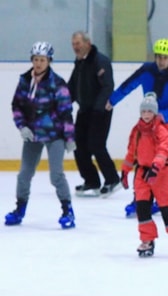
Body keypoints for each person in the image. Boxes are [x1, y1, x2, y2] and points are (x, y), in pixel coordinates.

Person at [107, 38, 168, 217]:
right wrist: (113, 100)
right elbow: (128, 85)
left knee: (162, 166)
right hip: (147, 127)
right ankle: (141, 199)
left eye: (165, 57)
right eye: (159, 57)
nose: (162, 61)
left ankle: (161, 200)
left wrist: (164, 116)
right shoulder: (147, 70)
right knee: (144, 163)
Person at [5, 41, 76, 229]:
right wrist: (22, 127)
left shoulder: (57, 83)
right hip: (33, 135)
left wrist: (69, 137)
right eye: (36, 59)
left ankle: (67, 210)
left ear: (49, 61)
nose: (38, 63)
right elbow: (16, 105)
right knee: (24, 174)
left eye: (42, 60)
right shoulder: (25, 81)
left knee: (56, 175)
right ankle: (19, 209)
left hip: (55, 135)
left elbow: (66, 111)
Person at [120, 92, 168, 258]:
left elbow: (163, 150)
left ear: (155, 113)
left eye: (149, 111)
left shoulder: (161, 130)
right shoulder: (137, 131)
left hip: (161, 173)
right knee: (142, 208)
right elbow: (132, 152)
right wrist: (125, 171)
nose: (146, 115)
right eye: (143, 111)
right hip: (142, 173)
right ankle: (147, 240)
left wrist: (156, 167)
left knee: (167, 209)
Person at [68, 31, 121, 197]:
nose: (75, 47)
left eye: (78, 43)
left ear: (87, 43)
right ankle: (91, 180)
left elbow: (107, 86)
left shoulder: (100, 60)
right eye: (74, 44)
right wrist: (62, 103)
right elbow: (72, 87)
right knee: (79, 146)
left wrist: (98, 109)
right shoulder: (80, 63)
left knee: (96, 145)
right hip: (84, 110)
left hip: (100, 111)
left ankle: (112, 179)